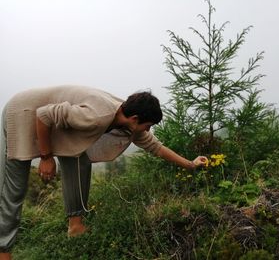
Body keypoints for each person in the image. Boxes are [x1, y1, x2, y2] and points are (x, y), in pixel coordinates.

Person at [0, 85, 207, 260]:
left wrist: (190, 164)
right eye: (148, 126)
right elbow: (44, 114)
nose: (148, 131)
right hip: (22, 114)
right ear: (135, 119)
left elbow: (156, 147)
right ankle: (3, 251)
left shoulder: (126, 117)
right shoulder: (96, 116)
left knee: (79, 157)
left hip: (50, 122)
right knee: (13, 190)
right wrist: (46, 158)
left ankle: (76, 226)